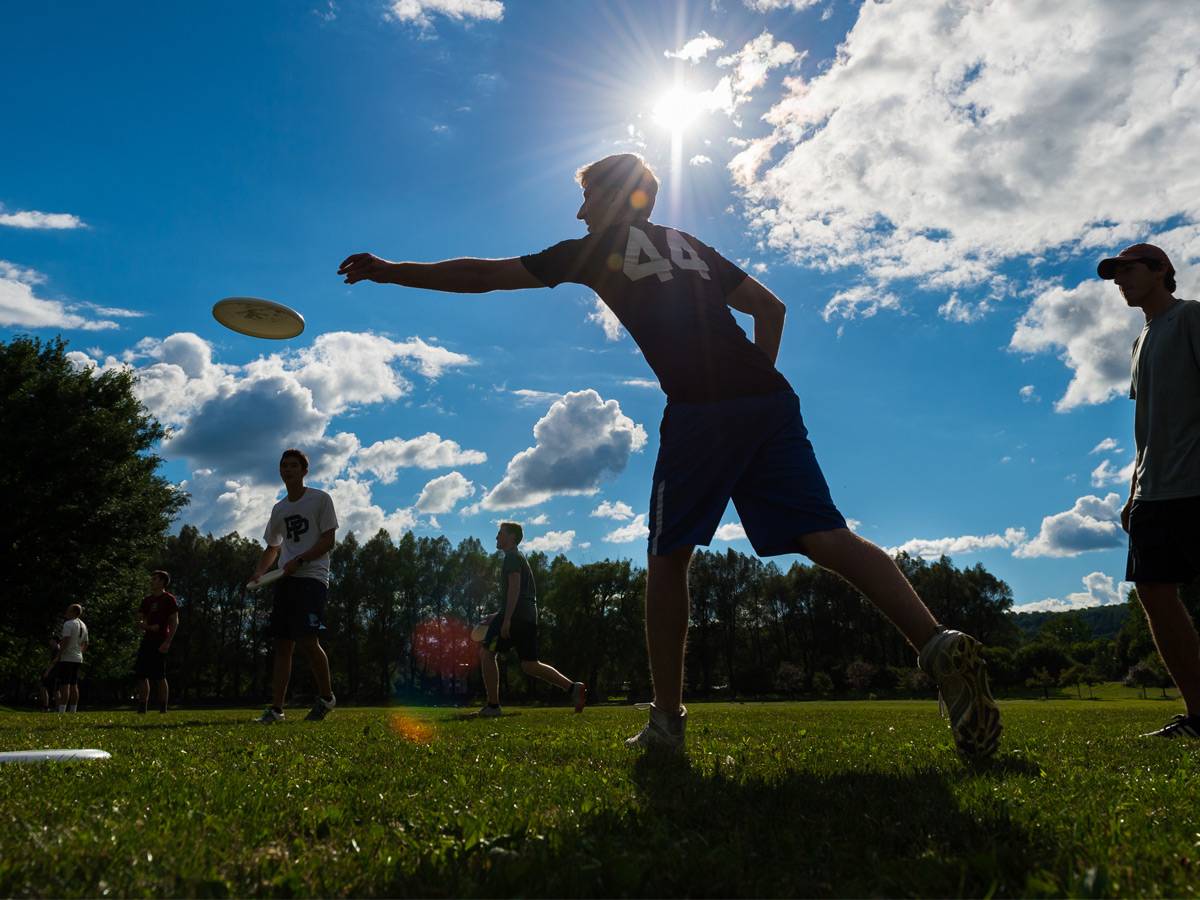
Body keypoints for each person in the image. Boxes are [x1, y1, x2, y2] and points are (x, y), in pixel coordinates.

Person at [338, 152, 1001, 756]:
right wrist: (749, 399)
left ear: (618, 198)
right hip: (769, 400)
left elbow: (486, 276)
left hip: (702, 409)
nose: (578, 211)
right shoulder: (689, 244)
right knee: (825, 535)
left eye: (587, 197)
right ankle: (936, 642)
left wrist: (394, 272)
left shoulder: (597, 250)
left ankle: (666, 723)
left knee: (666, 556)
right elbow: (771, 310)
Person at [1098, 243, 1200, 738]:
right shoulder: (1140, 342)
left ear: (1161, 270)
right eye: (1114, 275)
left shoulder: (1191, 319)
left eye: (1128, 270)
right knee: (1155, 594)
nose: (1120, 280)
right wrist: (1132, 488)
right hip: (1152, 493)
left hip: (1195, 483)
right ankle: (1199, 716)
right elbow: (1145, 425)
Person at [250, 448, 339, 723]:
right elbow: (273, 547)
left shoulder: (320, 499)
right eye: (284, 466)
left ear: (304, 471)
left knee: (308, 640)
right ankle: (277, 709)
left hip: (312, 578)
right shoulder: (279, 508)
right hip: (285, 580)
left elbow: (328, 541)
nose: (287, 470)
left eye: (293, 466)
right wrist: (259, 573)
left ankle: (327, 698)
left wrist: (299, 560)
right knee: (282, 644)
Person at [476, 522, 586, 717]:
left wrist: (507, 619)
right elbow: (519, 593)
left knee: (487, 653)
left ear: (511, 538)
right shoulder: (519, 557)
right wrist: (499, 614)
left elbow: (515, 588)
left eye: (500, 533)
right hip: (528, 617)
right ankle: (572, 688)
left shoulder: (511, 557)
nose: (496, 537)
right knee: (530, 664)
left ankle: (493, 706)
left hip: (516, 617)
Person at [135, 570, 179, 714]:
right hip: (147, 640)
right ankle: (142, 707)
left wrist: (168, 642)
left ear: (162, 582)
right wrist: (145, 625)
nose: (151, 581)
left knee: (160, 676)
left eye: (154, 579)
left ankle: (163, 708)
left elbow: (174, 621)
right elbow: (140, 618)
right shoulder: (147, 600)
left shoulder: (169, 599)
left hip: (161, 641)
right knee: (141, 675)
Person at [55, 604, 88, 713]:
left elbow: (66, 640)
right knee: (74, 684)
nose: (66, 612)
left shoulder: (68, 624)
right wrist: (80, 653)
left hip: (67, 657)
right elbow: (86, 643)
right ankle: (73, 710)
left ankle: (62, 710)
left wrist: (59, 654)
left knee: (65, 684)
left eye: (68, 610)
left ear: (74, 612)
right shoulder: (83, 625)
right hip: (78, 657)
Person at [39, 636, 60, 712]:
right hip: (51, 672)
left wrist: (47, 671)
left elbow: (54, 662)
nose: (49, 642)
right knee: (44, 687)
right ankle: (46, 706)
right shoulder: (54, 650)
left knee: (55, 690)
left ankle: (57, 708)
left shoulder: (58, 650)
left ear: (55, 641)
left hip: (54, 673)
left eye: (51, 640)